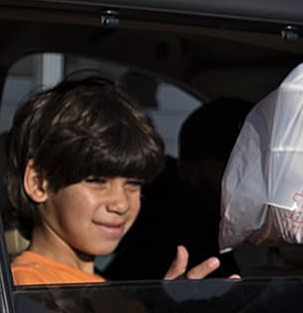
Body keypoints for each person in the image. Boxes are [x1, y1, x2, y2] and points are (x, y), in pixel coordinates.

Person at [5, 73, 225, 286]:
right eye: (97, 181)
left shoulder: (113, 297)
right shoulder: (27, 290)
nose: (121, 204)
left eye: (133, 184)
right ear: (38, 182)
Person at [102, 95, 253, 281]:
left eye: (258, 165)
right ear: (187, 170)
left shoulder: (275, 233)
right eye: (232, 164)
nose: (249, 178)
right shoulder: (164, 244)